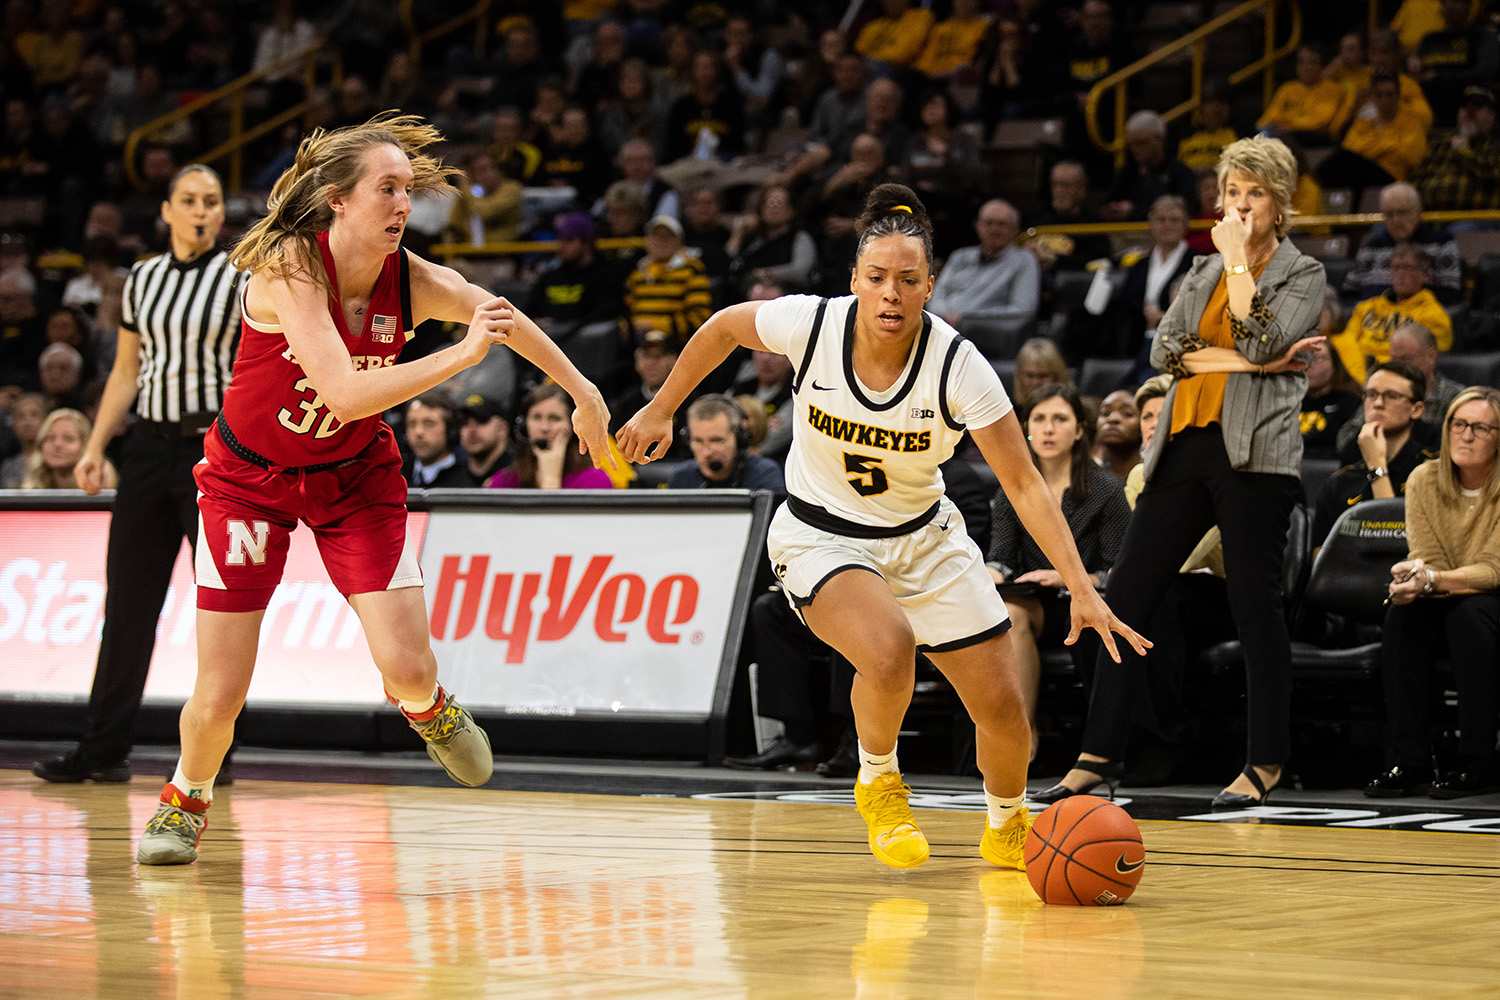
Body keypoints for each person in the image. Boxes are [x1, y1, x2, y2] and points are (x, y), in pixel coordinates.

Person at [618, 183, 1146, 871]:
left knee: (1004, 712)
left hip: (925, 539)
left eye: (907, 279)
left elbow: (1022, 483)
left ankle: (1008, 825)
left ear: (930, 285)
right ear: (854, 280)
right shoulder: (812, 325)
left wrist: (1079, 585)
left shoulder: (959, 365)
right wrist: (662, 407)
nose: (891, 293)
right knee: (889, 649)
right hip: (820, 534)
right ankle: (879, 781)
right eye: (876, 277)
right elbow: (722, 327)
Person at [132, 116, 613, 866]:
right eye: (387, 188)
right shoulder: (290, 268)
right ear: (339, 200)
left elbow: (502, 318)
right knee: (220, 693)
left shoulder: (411, 278)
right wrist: (460, 357)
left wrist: (583, 391)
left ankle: (429, 709)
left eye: (408, 190)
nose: (404, 204)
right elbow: (345, 392)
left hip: (354, 475)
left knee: (410, 669)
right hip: (249, 483)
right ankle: (185, 797)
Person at [1035, 136, 1326, 809]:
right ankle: (1097, 755)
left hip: (1254, 455)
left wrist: (1240, 278)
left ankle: (1265, 762)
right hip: (1182, 444)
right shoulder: (1201, 270)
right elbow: (1166, 351)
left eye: (1255, 193)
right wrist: (1253, 364)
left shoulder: (1302, 272)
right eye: (1231, 192)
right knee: (1125, 598)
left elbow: (1261, 336)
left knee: (1255, 608)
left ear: (1280, 203)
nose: (1240, 205)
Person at [31, 165, 244, 786]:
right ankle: (102, 747)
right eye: (189, 200)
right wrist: (96, 445)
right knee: (126, 604)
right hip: (147, 448)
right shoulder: (142, 280)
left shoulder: (241, 276)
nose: (201, 210)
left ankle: (214, 752)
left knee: (223, 610)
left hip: (216, 452)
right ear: (167, 211)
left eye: (211, 201)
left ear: (220, 212)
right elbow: (127, 372)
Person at [1368, 387, 1500, 799]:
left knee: (1471, 615)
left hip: (1492, 600)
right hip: (1449, 594)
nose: (1466, 435)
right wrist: (1413, 579)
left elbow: (1494, 570)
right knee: (1403, 614)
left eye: (1480, 428)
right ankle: (1408, 761)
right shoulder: (1424, 479)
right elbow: (1427, 556)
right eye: (1458, 424)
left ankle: (1478, 759)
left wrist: (1432, 580)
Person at [987, 382, 1130, 759]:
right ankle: (1022, 736)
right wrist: (986, 576)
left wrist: (1067, 577)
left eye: (1060, 419)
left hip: (1090, 601)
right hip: (1032, 602)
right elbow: (1001, 559)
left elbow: (1119, 569)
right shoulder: (1010, 488)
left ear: (1080, 430)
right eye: (1039, 419)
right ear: (1025, 429)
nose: (1048, 429)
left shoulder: (1108, 490)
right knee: (1009, 612)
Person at [1311, 359, 1439, 545]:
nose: (1378, 403)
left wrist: (1377, 466)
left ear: (1417, 409)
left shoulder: (1432, 472)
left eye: (1391, 396)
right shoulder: (1340, 481)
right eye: (1371, 394)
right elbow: (1319, 554)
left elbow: (1394, 542)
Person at [926, 199, 1040, 360]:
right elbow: (936, 294)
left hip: (986, 340)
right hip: (943, 328)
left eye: (1001, 224)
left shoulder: (1024, 261)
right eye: (988, 223)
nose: (994, 229)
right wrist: (944, 315)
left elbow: (1023, 310)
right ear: (978, 227)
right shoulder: (960, 256)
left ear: (1015, 229)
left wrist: (967, 318)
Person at [1332, 243, 1452, 384]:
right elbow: (1345, 342)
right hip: (1356, 376)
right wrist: (1360, 378)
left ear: (1424, 275)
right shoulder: (1366, 307)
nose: (1400, 274)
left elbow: (1426, 360)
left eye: (1407, 268)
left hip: (1401, 380)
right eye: (1395, 268)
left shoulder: (1434, 314)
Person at [1342, 182, 1464, 305]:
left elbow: (1452, 295)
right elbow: (1348, 293)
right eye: (1389, 214)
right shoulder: (1371, 246)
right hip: (1369, 314)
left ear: (1418, 211)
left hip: (1421, 313)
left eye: (1402, 212)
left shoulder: (1441, 243)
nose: (1396, 220)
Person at [490, 381, 614, 490]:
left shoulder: (595, 481)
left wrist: (551, 478)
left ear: (573, 425)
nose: (544, 428)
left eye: (555, 418)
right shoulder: (504, 481)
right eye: (536, 417)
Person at [667, 394, 786, 492]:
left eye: (717, 440)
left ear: (739, 439)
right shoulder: (682, 477)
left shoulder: (764, 474)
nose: (707, 453)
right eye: (698, 441)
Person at [1413, 84, 1500, 215]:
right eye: (1464, 106)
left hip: (1476, 218)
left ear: (1492, 115)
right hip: (1429, 216)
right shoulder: (1442, 144)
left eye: (1477, 106)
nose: (1469, 111)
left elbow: (1493, 173)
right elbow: (1416, 178)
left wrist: (1464, 152)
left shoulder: (1495, 145)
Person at [1300, 333, 1363, 461]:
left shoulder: (1351, 402)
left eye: (1318, 358)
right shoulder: (1288, 401)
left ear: (1334, 364)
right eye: (1304, 359)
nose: (1310, 366)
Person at [22, 407, 110, 489]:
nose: (57, 444)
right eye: (51, 437)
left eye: (68, 438)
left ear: (85, 446)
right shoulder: (30, 488)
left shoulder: (101, 483)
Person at [402, 392, 473, 488]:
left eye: (429, 423)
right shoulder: (394, 476)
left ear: (450, 431)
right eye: (412, 424)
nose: (418, 432)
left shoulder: (468, 483)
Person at [457, 392, 511, 484]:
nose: (471, 430)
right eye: (464, 422)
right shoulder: (448, 480)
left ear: (503, 429)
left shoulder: (521, 476)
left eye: (481, 421)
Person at [1011, 337, 1072, 413]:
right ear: (1019, 377)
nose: (1035, 382)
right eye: (1030, 375)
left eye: (1042, 376)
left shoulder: (1071, 409)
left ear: (1057, 377)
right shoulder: (1009, 412)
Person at [1093, 388, 1142, 478]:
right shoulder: (1086, 475)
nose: (1112, 418)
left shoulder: (1153, 475)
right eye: (1105, 413)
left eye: (1127, 413)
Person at [0, 391, 46, 488]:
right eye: (20, 416)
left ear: (46, 420)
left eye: (34, 415)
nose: (27, 422)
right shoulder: (8, 466)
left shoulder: (54, 462)